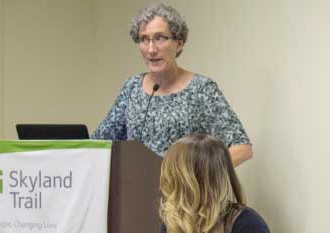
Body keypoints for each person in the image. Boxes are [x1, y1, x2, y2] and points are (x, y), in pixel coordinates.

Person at [91, 3, 253, 166]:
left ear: (179, 43)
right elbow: (99, 143)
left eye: (160, 38)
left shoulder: (201, 89)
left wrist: (198, 177)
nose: (151, 49)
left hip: (184, 191)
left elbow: (242, 148)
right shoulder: (132, 87)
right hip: (136, 188)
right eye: (144, 39)